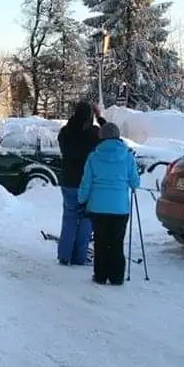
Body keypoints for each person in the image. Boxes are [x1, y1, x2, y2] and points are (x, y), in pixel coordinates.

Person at [78, 122, 141, 285]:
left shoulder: (93, 156)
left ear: (102, 137)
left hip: (98, 207)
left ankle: (100, 275)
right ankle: (116, 277)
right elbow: (135, 182)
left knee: (100, 242)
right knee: (117, 242)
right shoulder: (128, 156)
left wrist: (81, 199)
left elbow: (86, 182)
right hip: (120, 208)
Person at [56, 101, 107, 266]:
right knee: (86, 219)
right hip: (88, 183)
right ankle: (79, 257)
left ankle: (64, 255)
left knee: (69, 217)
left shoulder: (64, 132)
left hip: (68, 182)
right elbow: (112, 137)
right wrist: (100, 118)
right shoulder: (94, 134)